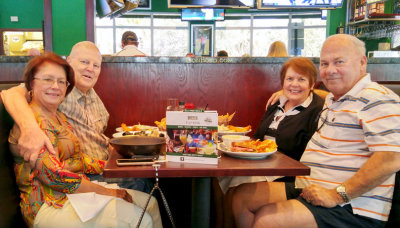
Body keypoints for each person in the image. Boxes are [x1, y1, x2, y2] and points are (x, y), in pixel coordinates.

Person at [232, 34, 400, 228]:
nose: (330, 70)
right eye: (325, 63)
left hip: (352, 205)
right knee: (240, 197)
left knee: (268, 219)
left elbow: (391, 158)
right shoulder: (334, 98)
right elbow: (318, 94)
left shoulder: (378, 98)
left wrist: (337, 194)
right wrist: (287, 93)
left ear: (362, 62)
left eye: (339, 62)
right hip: (309, 186)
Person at [8, 52, 160, 227]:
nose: (55, 86)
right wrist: (107, 192)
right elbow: (55, 176)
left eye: (61, 81)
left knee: (151, 204)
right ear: (31, 83)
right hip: (49, 205)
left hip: (75, 196)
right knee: (140, 219)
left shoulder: (59, 117)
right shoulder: (30, 122)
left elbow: (79, 160)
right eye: (48, 80)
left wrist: (116, 165)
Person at [1, 41, 152, 193]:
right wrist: (30, 128)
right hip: (83, 175)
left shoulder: (93, 95)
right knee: (140, 180)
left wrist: (122, 157)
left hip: (102, 163)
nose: (90, 69)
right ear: (69, 62)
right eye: (84, 62)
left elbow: (98, 135)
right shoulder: (57, 91)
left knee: (146, 170)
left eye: (96, 65)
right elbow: (10, 94)